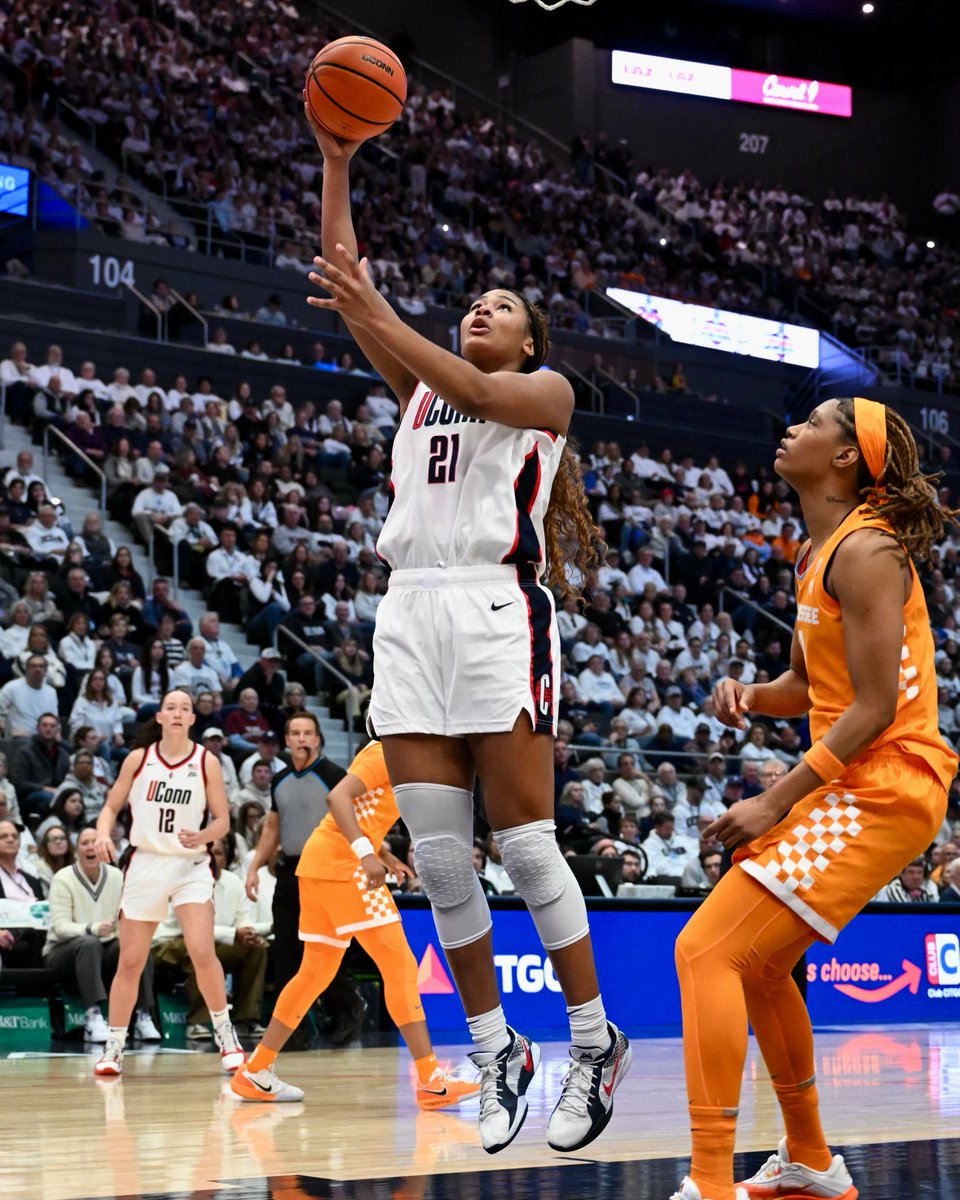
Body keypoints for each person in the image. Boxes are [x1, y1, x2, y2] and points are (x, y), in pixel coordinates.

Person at [304, 107, 630, 1155]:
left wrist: (381, 311)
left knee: (529, 849)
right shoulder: (420, 397)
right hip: (410, 612)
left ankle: (593, 1041)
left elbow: (470, 379)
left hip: (496, 610)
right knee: (441, 865)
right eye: (472, 304)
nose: (478, 311)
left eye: (500, 306)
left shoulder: (540, 391)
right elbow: (343, 271)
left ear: (529, 338)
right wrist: (337, 161)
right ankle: (496, 1051)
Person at [671, 397, 958, 1200]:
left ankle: (707, 1180)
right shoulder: (819, 549)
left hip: (889, 781)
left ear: (844, 457)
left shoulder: (866, 548)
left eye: (812, 421)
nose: (789, 427)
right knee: (759, 967)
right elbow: (810, 686)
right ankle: (811, 1160)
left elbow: (871, 708)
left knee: (704, 952)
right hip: (861, 778)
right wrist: (751, 696)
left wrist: (773, 802)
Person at [232, 738, 481, 1110]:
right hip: (343, 867)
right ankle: (430, 1080)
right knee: (399, 966)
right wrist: (365, 855)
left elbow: (359, 814)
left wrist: (385, 854)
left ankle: (256, 1068)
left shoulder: (397, 754)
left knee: (314, 974)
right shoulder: (385, 752)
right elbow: (337, 799)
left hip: (321, 865)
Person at [91, 689, 246, 1077]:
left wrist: (205, 835)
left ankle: (226, 1037)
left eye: (185, 709)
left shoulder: (205, 761)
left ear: (193, 719)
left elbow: (223, 820)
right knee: (130, 960)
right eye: (171, 708)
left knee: (200, 949)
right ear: (159, 717)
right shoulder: (138, 759)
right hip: (145, 863)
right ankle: (114, 1047)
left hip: (190, 864)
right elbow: (110, 806)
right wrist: (103, 833)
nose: (178, 714)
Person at [243, 714, 366, 1049]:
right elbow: (272, 827)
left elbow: (356, 821)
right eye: (295, 733)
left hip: (327, 872)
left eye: (308, 733)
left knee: (321, 950)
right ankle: (291, 1029)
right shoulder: (280, 778)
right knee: (285, 949)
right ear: (286, 739)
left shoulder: (334, 776)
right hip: (289, 871)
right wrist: (254, 867)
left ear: (318, 738)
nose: (301, 739)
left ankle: (349, 1005)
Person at [44, 826, 159, 1044]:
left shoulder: (117, 877)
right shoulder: (63, 878)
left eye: (94, 842)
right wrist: (91, 928)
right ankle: (93, 1017)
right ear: (77, 849)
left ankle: (144, 1015)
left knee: (138, 946)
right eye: (84, 843)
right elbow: (60, 927)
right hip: (62, 951)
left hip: (104, 949)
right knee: (89, 943)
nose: (90, 847)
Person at [153, 835, 268, 1039]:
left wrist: (247, 932)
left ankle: (245, 1020)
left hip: (215, 943)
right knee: (197, 948)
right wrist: (235, 934)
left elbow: (244, 917)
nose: (213, 858)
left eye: (218, 853)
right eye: (208, 853)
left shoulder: (234, 882)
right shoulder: (186, 880)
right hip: (167, 946)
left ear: (227, 857)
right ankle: (199, 1022)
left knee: (257, 948)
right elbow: (192, 928)